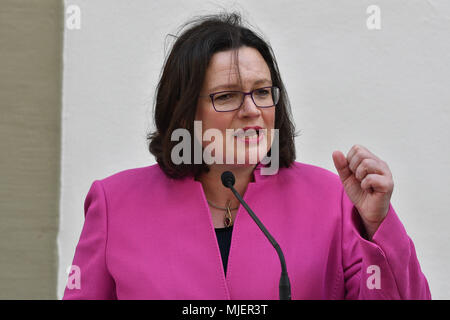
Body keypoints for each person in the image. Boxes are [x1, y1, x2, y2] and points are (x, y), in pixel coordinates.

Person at [63, 12, 431, 300]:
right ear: (184, 109)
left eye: (262, 92)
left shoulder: (331, 200)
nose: (252, 109)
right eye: (226, 96)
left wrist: (377, 225)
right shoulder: (115, 203)